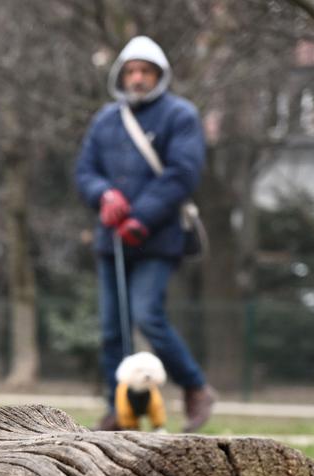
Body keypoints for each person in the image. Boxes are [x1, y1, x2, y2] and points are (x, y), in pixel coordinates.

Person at [74, 35, 216, 432]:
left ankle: (195, 388)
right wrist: (103, 195)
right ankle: (119, 409)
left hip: (158, 238)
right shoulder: (105, 120)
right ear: (122, 75)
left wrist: (143, 217)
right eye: (131, 71)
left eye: (145, 71)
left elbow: (182, 174)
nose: (137, 78)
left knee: (147, 316)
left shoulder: (180, 116)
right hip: (112, 240)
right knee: (111, 329)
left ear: (159, 75)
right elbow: (85, 171)